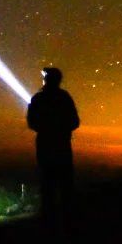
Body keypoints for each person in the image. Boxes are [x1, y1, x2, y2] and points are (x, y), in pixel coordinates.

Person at [27, 66, 80, 229]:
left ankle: (48, 218)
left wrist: (46, 128)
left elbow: (32, 122)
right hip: (61, 144)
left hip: (45, 144)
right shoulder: (64, 98)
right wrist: (61, 129)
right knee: (65, 181)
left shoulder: (38, 98)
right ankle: (67, 218)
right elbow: (75, 121)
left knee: (47, 180)